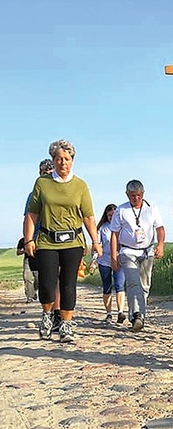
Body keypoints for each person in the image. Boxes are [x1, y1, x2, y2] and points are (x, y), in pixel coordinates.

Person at [23, 140, 102, 343]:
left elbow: (88, 217)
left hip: (73, 242)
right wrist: (29, 240)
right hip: (47, 241)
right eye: (58, 159)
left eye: (66, 159)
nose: (62, 163)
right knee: (48, 286)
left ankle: (66, 325)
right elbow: (32, 214)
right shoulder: (42, 183)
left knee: (68, 285)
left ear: (72, 160)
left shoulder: (80, 185)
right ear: (53, 160)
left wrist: (96, 241)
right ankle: (47, 316)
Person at [110, 180, 165, 332]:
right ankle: (138, 315)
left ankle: (137, 315)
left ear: (143, 194)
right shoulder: (121, 210)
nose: (136, 199)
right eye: (133, 196)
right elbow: (114, 235)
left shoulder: (151, 208)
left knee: (145, 285)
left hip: (147, 250)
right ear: (127, 195)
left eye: (139, 196)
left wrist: (160, 245)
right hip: (127, 251)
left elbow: (160, 228)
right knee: (134, 283)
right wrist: (114, 257)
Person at [18, 159, 55, 303]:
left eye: (50, 173)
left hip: (59, 240)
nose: (47, 177)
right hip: (40, 241)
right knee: (45, 278)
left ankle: (58, 312)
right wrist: (28, 240)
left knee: (57, 278)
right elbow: (28, 219)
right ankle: (49, 310)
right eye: (44, 173)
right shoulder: (33, 195)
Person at [95, 204, 126, 325]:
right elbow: (98, 245)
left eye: (113, 216)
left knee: (120, 285)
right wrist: (94, 259)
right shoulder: (103, 228)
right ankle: (108, 313)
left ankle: (120, 312)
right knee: (107, 287)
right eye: (109, 216)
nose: (111, 218)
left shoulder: (123, 227)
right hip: (104, 261)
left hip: (119, 260)